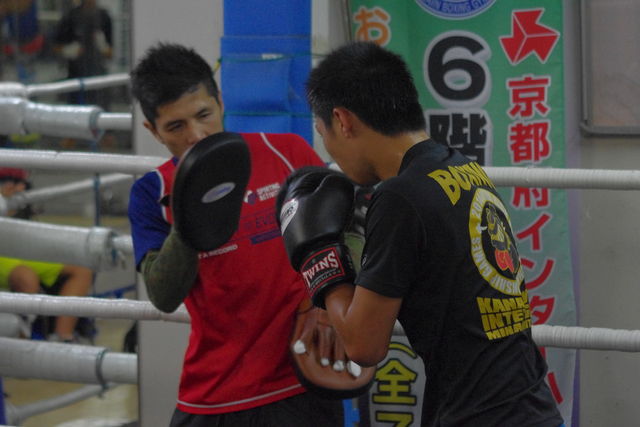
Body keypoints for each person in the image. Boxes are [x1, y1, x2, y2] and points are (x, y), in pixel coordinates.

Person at [278, 41, 565, 426]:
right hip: (529, 404)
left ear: (342, 121)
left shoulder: (400, 197)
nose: (330, 151)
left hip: (481, 415)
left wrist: (320, 261)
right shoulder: (463, 169)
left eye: (322, 132)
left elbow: (363, 345)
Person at [128, 42, 345, 426]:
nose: (196, 135)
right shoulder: (152, 192)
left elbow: (346, 236)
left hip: (299, 383)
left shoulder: (285, 153)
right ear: (153, 131)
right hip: (214, 394)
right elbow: (163, 295)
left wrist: (326, 305)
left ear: (221, 101)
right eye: (176, 126)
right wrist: (191, 208)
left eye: (203, 115)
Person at [0, 167, 94, 343]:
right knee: (26, 278)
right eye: (11, 182)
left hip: (13, 243)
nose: (21, 188)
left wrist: (9, 201)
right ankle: (23, 347)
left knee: (81, 269)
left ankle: (61, 339)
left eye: (22, 183)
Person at [52, 0, 113, 108]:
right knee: (76, 110)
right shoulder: (71, 16)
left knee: (100, 109)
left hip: (98, 74)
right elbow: (55, 46)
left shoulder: (104, 17)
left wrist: (103, 46)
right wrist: (69, 50)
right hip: (76, 73)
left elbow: (110, 53)